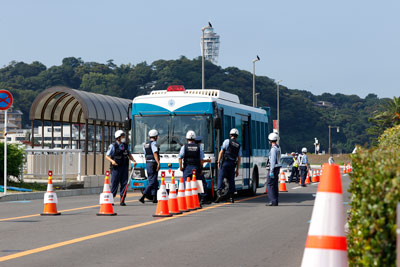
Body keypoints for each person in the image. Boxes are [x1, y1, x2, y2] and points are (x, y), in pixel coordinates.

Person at [105, 130, 136, 206]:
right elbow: (107, 156)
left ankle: (122, 200)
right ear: (118, 138)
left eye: (123, 136)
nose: (123, 138)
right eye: (122, 136)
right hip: (116, 168)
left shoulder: (125, 145)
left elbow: (129, 154)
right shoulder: (113, 146)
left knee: (125, 183)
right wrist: (112, 161)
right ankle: (111, 199)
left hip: (124, 167)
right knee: (115, 183)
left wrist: (133, 161)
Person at [215, 128, 242, 203]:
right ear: (237, 136)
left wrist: (218, 161)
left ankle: (219, 194)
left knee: (221, 177)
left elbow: (221, 152)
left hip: (225, 163)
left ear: (230, 135)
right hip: (232, 164)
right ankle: (231, 197)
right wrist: (237, 170)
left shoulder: (227, 141)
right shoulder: (239, 145)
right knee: (231, 180)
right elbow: (239, 158)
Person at [139, 129, 160, 204]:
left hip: (148, 163)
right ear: (155, 136)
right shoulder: (154, 144)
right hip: (153, 163)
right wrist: (158, 163)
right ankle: (143, 196)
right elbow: (155, 153)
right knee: (152, 181)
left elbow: (145, 155)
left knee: (154, 181)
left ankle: (154, 198)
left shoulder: (145, 144)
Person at [195, 136, 211, 204]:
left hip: (189, 168)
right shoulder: (199, 149)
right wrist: (207, 160)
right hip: (197, 168)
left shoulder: (186, 147)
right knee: (202, 183)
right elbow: (201, 161)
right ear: (200, 142)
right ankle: (202, 198)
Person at [266, 132, 281, 206]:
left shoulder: (273, 149)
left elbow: (272, 160)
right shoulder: (278, 147)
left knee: (269, 184)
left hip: (273, 168)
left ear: (271, 140)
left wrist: (271, 170)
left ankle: (272, 200)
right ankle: (276, 200)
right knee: (274, 185)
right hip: (277, 167)